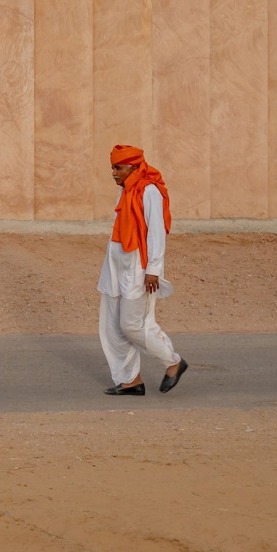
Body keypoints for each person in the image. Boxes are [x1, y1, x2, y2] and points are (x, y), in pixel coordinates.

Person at [99, 144, 187, 396]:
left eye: (118, 168)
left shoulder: (149, 191)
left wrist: (153, 271)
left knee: (132, 325)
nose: (114, 173)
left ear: (134, 166)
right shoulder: (126, 191)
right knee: (112, 326)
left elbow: (156, 233)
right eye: (112, 168)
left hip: (139, 269)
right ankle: (130, 380)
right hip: (116, 268)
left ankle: (173, 362)